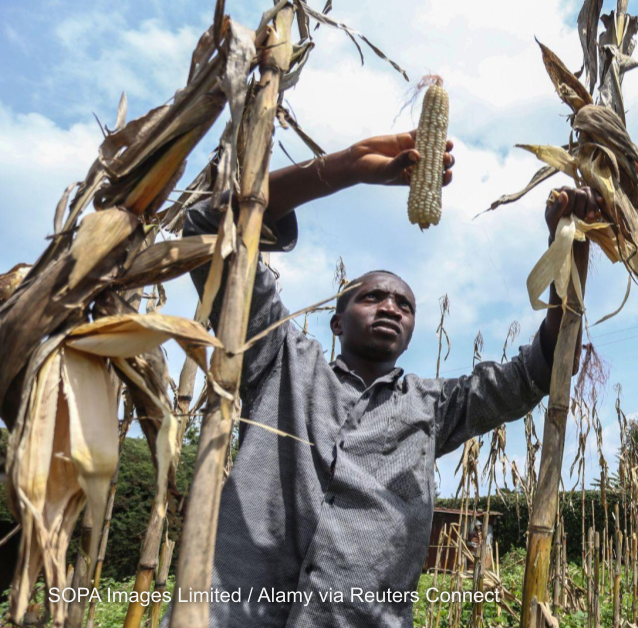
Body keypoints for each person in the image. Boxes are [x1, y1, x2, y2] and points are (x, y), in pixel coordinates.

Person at [177, 131, 601, 627]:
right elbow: (211, 222)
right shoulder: (280, 359)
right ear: (337, 322)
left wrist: (568, 249)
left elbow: (541, 371)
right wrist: (351, 167)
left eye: (404, 305)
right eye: (373, 297)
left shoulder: (433, 406)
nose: (390, 308)